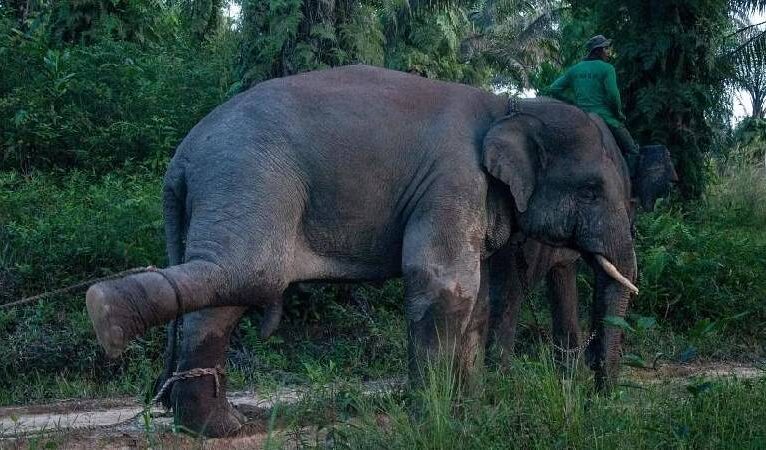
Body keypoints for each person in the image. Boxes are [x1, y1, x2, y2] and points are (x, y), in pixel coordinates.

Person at [544, 35, 640, 175]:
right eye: (605, 49)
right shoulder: (607, 68)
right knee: (632, 150)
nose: (608, 52)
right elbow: (613, 95)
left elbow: (553, 89)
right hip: (606, 118)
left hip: (581, 117)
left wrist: (572, 103)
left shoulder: (575, 69)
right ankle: (632, 187)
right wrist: (618, 113)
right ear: (598, 51)